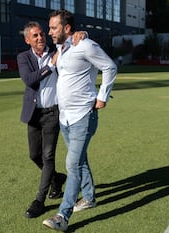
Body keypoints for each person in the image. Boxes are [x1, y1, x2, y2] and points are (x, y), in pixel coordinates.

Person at [42, 10, 117, 231]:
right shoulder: (63, 48)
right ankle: (90, 197)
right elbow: (53, 63)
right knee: (79, 161)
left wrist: (102, 96)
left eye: (53, 27)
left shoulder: (86, 45)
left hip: (83, 115)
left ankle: (62, 216)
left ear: (66, 28)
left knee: (72, 164)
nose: (49, 32)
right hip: (65, 117)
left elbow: (110, 66)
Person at [17, 21, 87, 219]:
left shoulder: (58, 49)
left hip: (53, 114)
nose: (40, 38)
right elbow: (29, 80)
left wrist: (83, 33)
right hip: (34, 114)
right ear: (27, 40)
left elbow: (75, 42)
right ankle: (57, 180)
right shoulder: (23, 57)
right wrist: (50, 65)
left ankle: (40, 200)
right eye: (35, 36)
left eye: (41, 34)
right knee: (34, 155)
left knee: (48, 156)